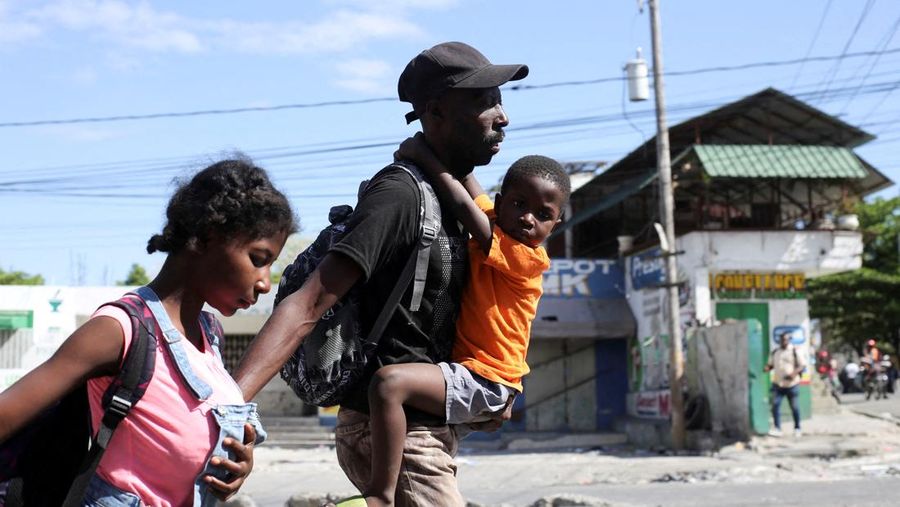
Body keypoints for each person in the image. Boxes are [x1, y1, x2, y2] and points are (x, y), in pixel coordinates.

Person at [234, 41, 529, 506]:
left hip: (423, 428)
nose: (502, 116)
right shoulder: (400, 195)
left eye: (500, 99)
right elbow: (312, 300)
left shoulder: (459, 201)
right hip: (396, 436)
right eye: (483, 101)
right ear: (435, 113)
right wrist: (230, 407)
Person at [0, 158, 296, 506]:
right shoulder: (119, 330)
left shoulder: (209, 336)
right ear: (206, 237)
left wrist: (234, 461)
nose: (265, 282)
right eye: (258, 258)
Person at [350, 140, 570, 506]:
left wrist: (423, 155)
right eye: (519, 205)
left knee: (390, 385)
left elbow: (465, 205)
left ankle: (381, 494)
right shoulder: (499, 224)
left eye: (543, 215)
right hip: (475, 373)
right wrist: (442, 148)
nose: (529, 218)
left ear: (555, 224)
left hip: (488, 379)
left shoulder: (527, 257)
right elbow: (471, 185)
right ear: (501, 204)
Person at [764, 331, 806, 437]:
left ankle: (797, 428)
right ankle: (778, 428)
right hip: (778, 384)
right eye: (782, 339)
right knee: (775, 405)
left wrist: (793, 374)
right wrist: (767, 368)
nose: (783, 341)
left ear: (789, 340)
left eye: (786, 339)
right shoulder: (775, 352)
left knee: (794, 407)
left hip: (792, 384)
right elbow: (771, 365)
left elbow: (802, 365)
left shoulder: (795, 351)